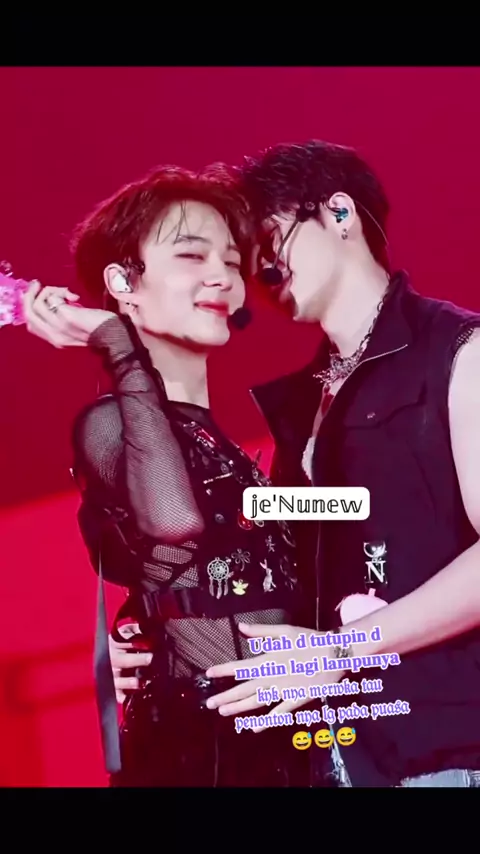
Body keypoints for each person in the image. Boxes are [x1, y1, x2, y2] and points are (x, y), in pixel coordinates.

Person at [201, 140, 480, 788]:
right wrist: (152, 634)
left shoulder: (458, 354)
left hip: (447, 753)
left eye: (269, 232)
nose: (259, 263)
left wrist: (342, 649)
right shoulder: (306, 404)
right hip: (340, 759)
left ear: (340, 213)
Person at [22, 163, 310, 787]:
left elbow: (305, 532)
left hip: (288, 740)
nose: (222, 276)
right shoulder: (109, 424)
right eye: (191, 254)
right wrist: (117, 344)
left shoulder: (222, 443)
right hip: (201, 751)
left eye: (231, 261)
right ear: (124, 281)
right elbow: (175, 524)